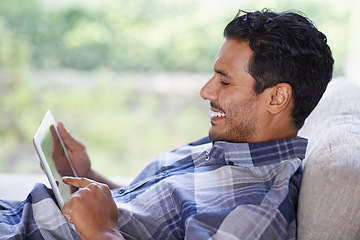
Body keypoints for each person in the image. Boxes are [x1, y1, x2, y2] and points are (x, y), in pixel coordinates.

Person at [0, 8, 333, 240]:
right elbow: (147, 219)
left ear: (276, 98)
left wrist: (101, 233)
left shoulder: (258, 208)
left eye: (225, 82)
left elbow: (112, 229)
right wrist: (89, 176)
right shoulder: (229, 141)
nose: (205, 91)